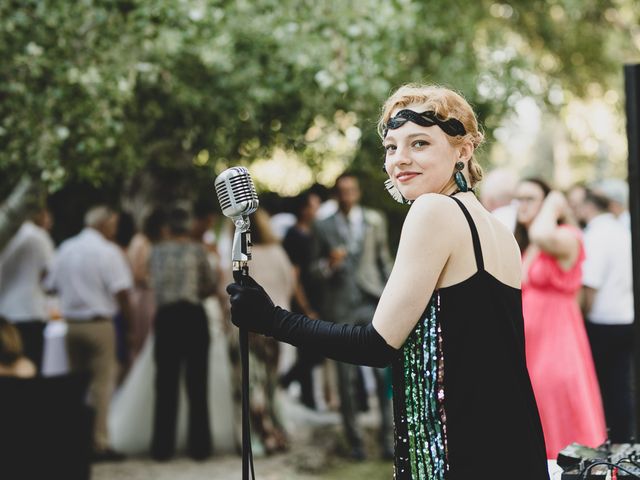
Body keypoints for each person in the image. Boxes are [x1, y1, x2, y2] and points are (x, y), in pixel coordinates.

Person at [226, 84, 550, 479]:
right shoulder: (499, 232)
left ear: (462, 150)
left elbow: (377, 345)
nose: (400, 160)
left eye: (419, 144)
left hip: (463, 452)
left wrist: (271, 319)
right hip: (515, 443)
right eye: (392, 147)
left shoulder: (432, 211)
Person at [514, 178, 606, 458]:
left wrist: (554, 204)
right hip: (532, 349)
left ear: (547, 203)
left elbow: (543, 235)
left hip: (557, 348)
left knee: (557, 416)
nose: (522, 206)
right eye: (519, 199)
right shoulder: (528, 244)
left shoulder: (566, 236)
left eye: (530, 198)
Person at [310, 172, 394, 460]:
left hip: (373, 301)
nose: (347, 196)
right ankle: (355, 443)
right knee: (346, 380)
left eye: (351, 190)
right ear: (337, 195)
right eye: (342, 191)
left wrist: (392, 296)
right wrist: (328, 266)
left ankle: (389, 441)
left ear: (357, 192)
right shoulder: (322, 226)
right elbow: (312, 271)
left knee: (385, 376)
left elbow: (385, 260)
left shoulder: (375, 220)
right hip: (341, 307)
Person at [45, 205, 133, 461]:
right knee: (102, 386)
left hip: (70, 325)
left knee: (75, 384)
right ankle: (98, 443)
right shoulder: (108, 251)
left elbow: (49, 283)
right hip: (99, 323)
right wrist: (127, 324)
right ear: (104, 224)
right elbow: (122, 291)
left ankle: (75, 440)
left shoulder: (66, 248)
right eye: (113, 224)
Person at [148, 207, 216, 461]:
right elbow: (209, 284)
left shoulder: (155, 251)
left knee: (165, 383)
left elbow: (150, 281)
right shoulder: (197, 250)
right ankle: (200, 448)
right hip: (192, 316)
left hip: (166, 318)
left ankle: (162, 448)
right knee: (197, 383)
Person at [576, 188, 635, 443]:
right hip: (624, 316)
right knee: (621, 384)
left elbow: (590, 284)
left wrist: (581, 316)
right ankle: (624, 438)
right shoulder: (620, 230)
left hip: (602, 320)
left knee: (602, 386)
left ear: (589, 206)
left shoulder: (596, 234)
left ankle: (611, 438)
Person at [0, 208, 55, 372]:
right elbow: (50, 276)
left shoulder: (7, 234)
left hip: (4, 313)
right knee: (29, 368)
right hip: (28, 312)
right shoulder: (37, 236)